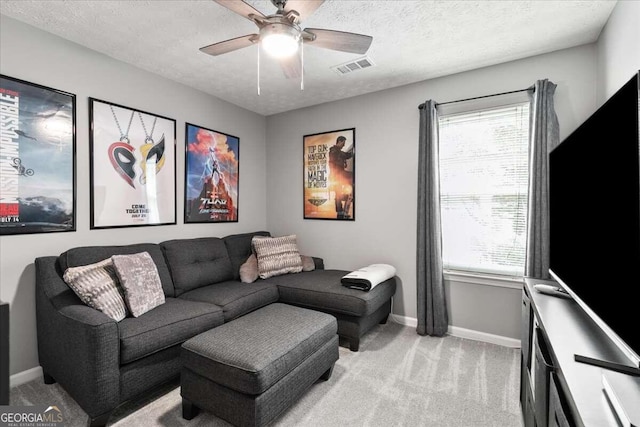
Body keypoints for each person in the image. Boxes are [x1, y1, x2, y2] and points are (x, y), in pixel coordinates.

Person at [328, 136, 354, 218]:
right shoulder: (334, 151)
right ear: (339, 141)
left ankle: (340, 211)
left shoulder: (337, 151)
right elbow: (332, 163)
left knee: (338, 193)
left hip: (338, 174)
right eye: (343, 143)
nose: (344, 145)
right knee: (352, 177)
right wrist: (332, 175)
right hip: (338, 174)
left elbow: (346, 155)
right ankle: (340, 210)